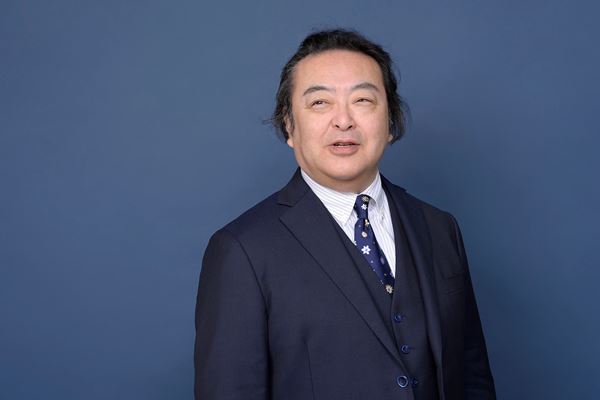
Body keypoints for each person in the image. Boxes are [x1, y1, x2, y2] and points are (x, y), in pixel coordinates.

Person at [194, 28, 496, 400]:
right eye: (320, 102)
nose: (343, 121)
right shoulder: (241, 250)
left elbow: (472, 378)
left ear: (390, 121)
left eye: (363, 100)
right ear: (289, 125)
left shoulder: (439, 227)